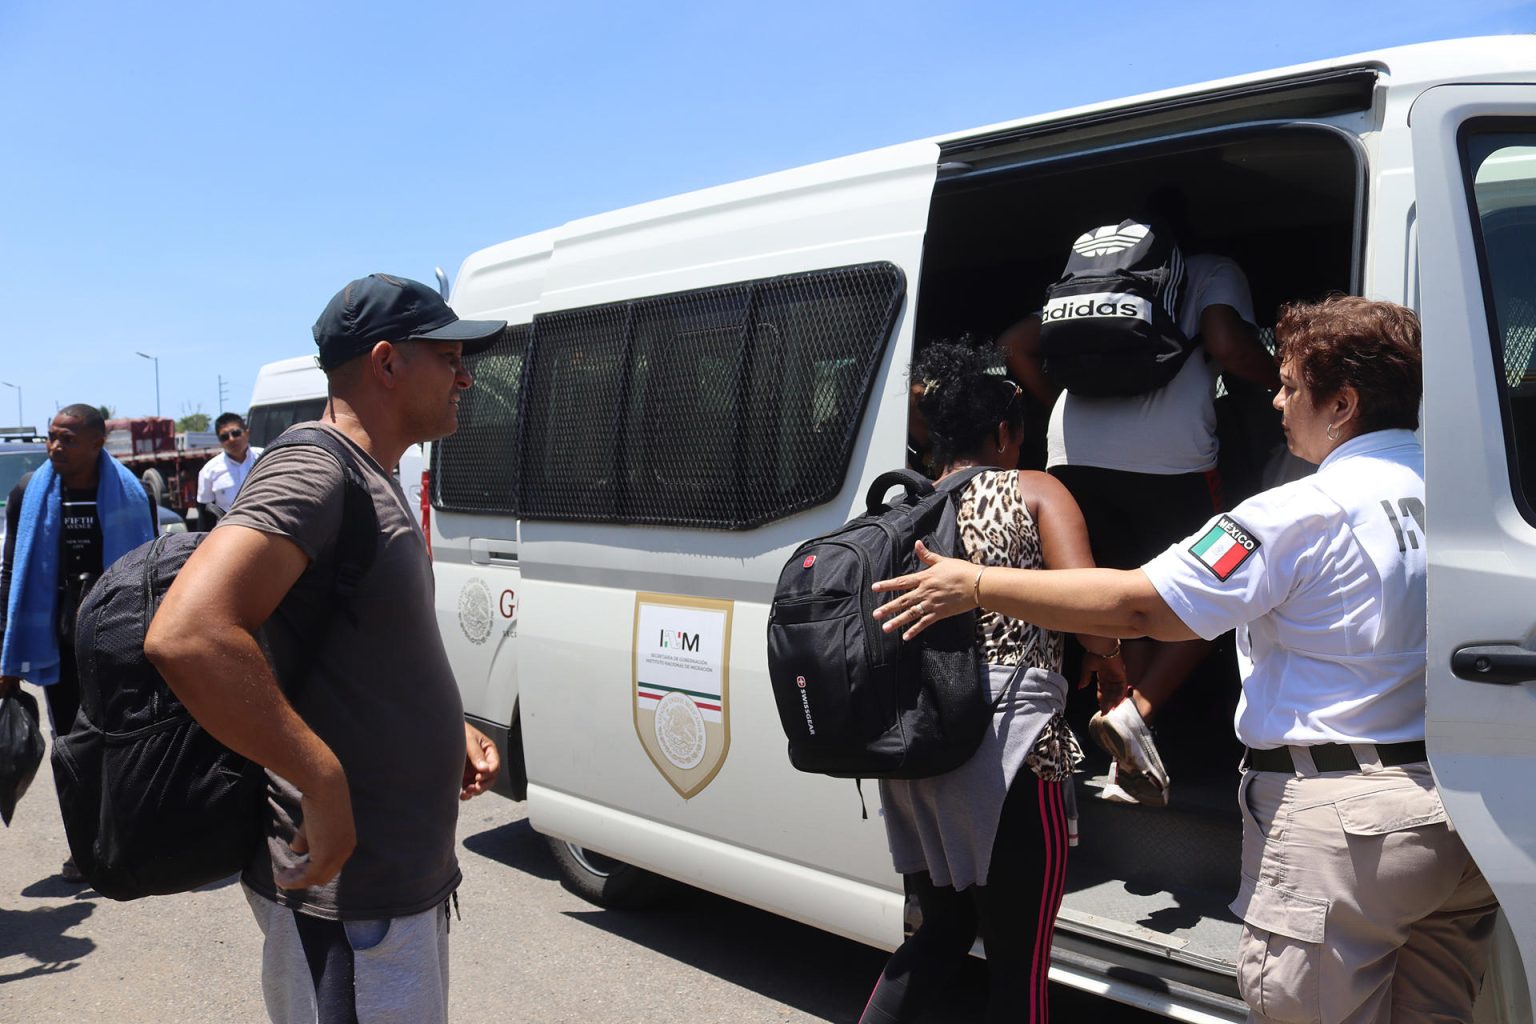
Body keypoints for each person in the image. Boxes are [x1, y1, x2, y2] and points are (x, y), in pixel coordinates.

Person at [874, 296, 1499, 1023]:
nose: (1276, 399)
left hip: (1349, 835)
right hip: (1458, 814)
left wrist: (974, 584)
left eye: (1291, 385)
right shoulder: (1464, 498)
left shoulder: (1299, 510)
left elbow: (1144, 606)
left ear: (1344, 402)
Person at [144, 274, 505, 1024]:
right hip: (349, 903)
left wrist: (449, 728)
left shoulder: (376, 472)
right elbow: (189, 634)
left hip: (392, 883)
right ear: (386, 363)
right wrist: (321, 776)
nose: (465, 374)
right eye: (449, 355)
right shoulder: (316, 466)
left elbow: (367, 647)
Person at [859, 340, 1123, 1024]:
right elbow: (1094, 621)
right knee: (1020, 962)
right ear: (1004, 433)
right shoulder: (1035, 490)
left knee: (940, 929)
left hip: (919, 749)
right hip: (1011, 754)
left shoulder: (901, 509)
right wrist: (1108, 652)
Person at [1000, 210, 1280, 806]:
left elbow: (1014, 346)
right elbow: (1229, 345)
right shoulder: (1212, 270)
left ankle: (1124, 753)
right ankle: (1137, 713)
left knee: (1117, 597)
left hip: (1072, 456)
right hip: (1171, 462)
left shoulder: (1089, 286)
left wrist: (1067, 408)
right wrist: (1289, 381)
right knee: (1209, 593)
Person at [1, 404, 156, 879]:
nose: (55, 447)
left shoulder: (132, 493)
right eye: (52, 437)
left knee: (123, 738)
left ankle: (126, 839)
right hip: (56, 641)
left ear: (97, 443)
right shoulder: (29, 492)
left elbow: (153, 567)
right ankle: (83, 847)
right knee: (70, 741)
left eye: (67, 439)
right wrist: (6, 651)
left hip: (118, 638)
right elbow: (10, 571)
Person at [195, 411, 263, 530]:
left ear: (247, 433)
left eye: (236, 433)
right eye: (224, 437)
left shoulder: (266, 458)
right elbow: (205, 516)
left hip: (268, 532)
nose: (231, 439)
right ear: (219, 441)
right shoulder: (209, 471)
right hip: (229, 538)